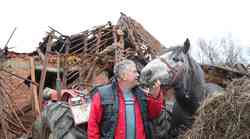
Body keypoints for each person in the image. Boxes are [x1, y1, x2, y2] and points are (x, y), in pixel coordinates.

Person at [88, 59, 163, 139]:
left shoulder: (142, 94)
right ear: (123, 76)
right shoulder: (103, 94)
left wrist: (155, 95)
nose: (138, 75)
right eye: (134, 72)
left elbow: (154, 114)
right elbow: (93, 124)